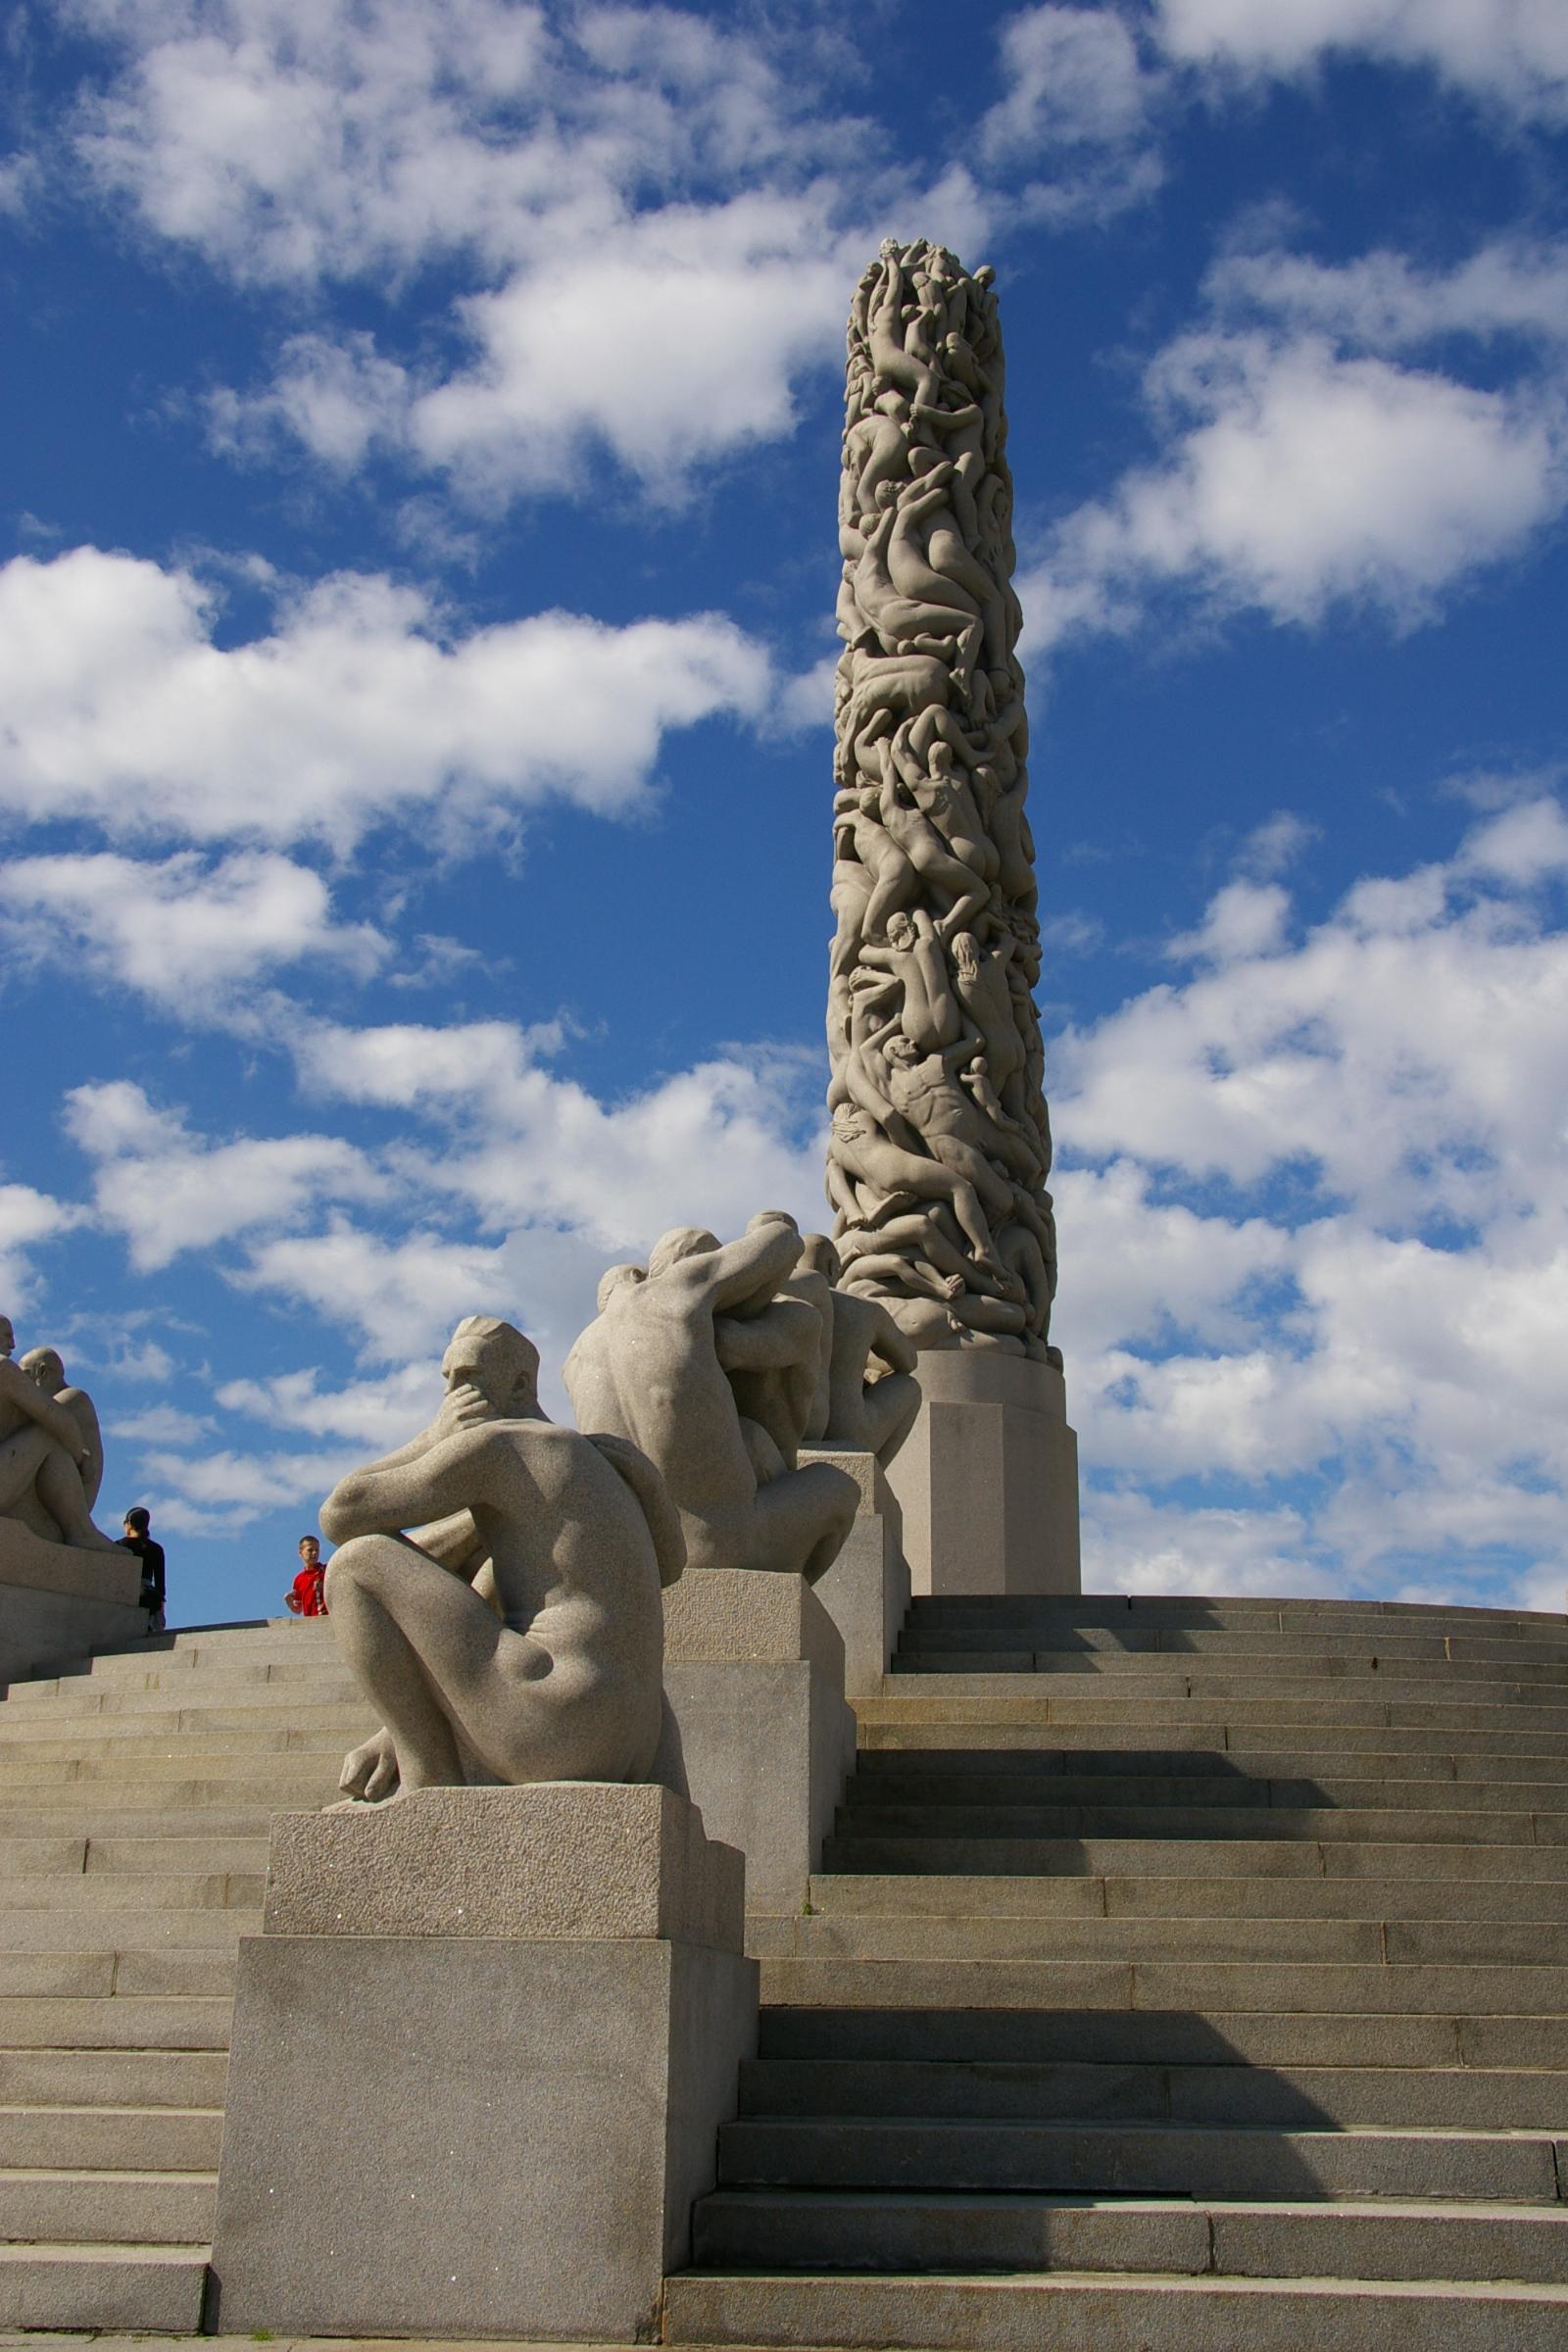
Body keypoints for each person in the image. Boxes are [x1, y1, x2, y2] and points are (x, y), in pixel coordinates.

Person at [322, 1315, 685, 1806]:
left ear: (518, 1385)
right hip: (642, 1746)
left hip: (555, 1726)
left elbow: (342, 1514)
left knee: (356, 1564)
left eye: (468, 1375)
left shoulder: (502, 1445)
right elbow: (671, 1566)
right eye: (447, 1379)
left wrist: (432, 1437)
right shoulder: (598, 1458)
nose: (452, 1394)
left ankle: (429, 1779)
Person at [117, 1506, 166, 1630]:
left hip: (122, 1594)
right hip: (148, 1599)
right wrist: (161, 1611)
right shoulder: (156, 1549)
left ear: (129, 1524)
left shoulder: (118, 1546)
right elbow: (160, 1584)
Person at [286, 1534, 328, 1617]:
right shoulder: (299, 1579)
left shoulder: (326, 1571)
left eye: (317, 1550)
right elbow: (298, 1609)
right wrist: (289, 1602)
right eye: (310, 1550)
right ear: (300, 1552)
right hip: (310, 1621)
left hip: (327, 1618)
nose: (314, 1553)